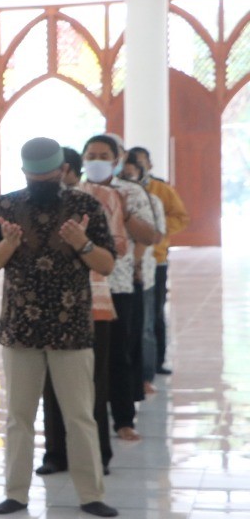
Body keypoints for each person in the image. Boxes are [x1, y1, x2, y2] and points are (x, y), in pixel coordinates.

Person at [0, 137, 117, 518]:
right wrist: (8, 244)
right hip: (20, 328)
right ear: (23, 172)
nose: (41, 179)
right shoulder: (5, 206)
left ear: (63, 171)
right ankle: (16, 494)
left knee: (79, 416)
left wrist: (82, 243)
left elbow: (105, 265)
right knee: (18, 417)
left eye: (48, 173)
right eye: (34, 174)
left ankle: (91, 494)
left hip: (71, 329)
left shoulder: (85, 206)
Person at [40, 147, 127, 477]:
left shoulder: (102, 197)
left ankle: (97, 454)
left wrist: (82, 240)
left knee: (93, 383)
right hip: (49, 303)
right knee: (51, 383)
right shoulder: (35, 203)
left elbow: (118, 245)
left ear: (64, 169)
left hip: (93, 301)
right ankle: (55, 453)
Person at [82, 135, 158, 441]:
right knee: (84, 358)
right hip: (83, 286)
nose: (97, 160)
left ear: (116, 161)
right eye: (91, 155)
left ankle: (124, 420)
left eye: (103, 155)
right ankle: (87, 418)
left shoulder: (132, 191)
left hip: (119, 284)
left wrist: (123, 212)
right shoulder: (74, 192)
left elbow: (151, 236)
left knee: (119, 354)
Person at [126, 150, 188, 377]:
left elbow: (180, 218)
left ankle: (156, 362)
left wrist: (156, 232)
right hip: (125, 263)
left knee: (154, 313)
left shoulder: (160, 191)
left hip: (156, 259)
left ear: (147, 166)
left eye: (138, 164)